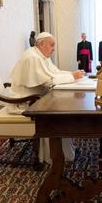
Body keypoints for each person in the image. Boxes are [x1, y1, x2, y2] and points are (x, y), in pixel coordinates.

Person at [10, 32, 85, 164]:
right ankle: (56, 155)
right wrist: (72, 76)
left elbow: (54, 72)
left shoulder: (41, 55)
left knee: (64, 104)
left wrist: (73, 74)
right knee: (59, 109)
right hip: (28, 101)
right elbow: (48, 82)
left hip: (39, 96)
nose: (54, 48)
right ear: (41, 44)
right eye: (52, 45)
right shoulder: (33, 58)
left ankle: (66, 150)